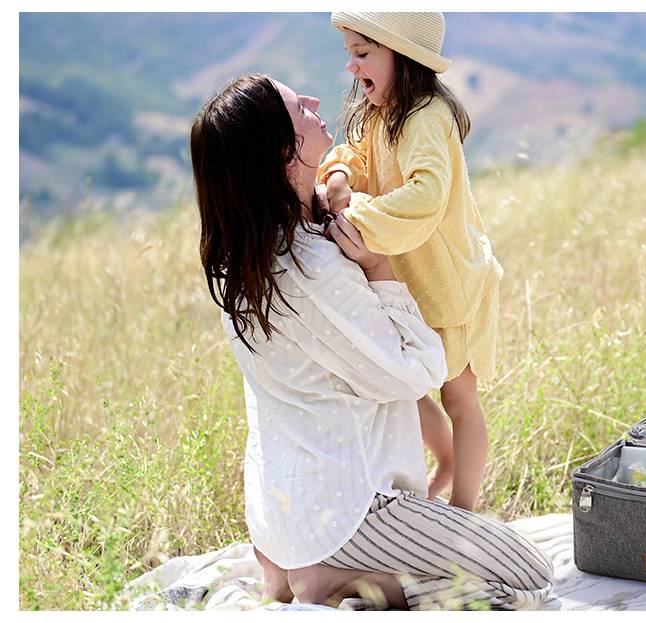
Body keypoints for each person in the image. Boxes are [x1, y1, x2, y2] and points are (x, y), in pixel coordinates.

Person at [190, 73, 553, 610]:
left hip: (280, 512)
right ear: (287, 152)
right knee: (531, 578)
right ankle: (338, 583)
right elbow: (419, 371)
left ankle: (306, 570)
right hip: (348, 510)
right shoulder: (314, 267)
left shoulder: (243, 253)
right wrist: (381, 267)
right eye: (297, 105)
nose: (314, 100)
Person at [318, 12, 503, 511]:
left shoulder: (426, 118)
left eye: (363, 54)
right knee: (405, 382)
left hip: (449, 285)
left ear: (401, 56)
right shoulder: (379, 111)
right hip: (407, 285)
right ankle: (443, 459)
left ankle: (466, 513)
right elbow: (353, 155)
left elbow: (426, 195)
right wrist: (338, 173)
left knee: (459, 400)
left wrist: (355, 210)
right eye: (350, 55)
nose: (353, 69)